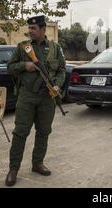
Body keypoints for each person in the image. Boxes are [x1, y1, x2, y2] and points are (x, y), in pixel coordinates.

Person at [5, 15, 66, 187]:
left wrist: (58, 86)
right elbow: (10, 67)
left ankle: (37, 163)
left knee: (44, 132)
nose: (30, 31)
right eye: (29, 28)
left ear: (43, 29)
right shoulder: (23, 47)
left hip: (47, 98)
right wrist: (26, 66)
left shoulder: (55, 48)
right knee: (20, 133)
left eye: (34, 28)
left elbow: (61, 70)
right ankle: (13, 169)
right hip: (27, 97)